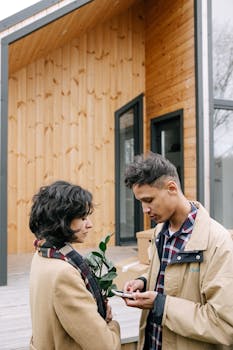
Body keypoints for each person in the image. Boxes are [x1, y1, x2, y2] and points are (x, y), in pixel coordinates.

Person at [123, 152, 233, 350]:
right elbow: (168, 274)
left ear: (171, 188)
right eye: (140, 202)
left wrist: (160, 305)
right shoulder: (159, 231)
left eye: (149, 200)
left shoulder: (217, 242)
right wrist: (144, 281)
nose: (144, 210)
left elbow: (224, 324)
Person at [29, 180, 121, 350]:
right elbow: (105, 346)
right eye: (82, 217)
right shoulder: (64, 273)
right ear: (61, 219)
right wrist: (111, 324)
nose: (90, 224)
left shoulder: (41, 254)